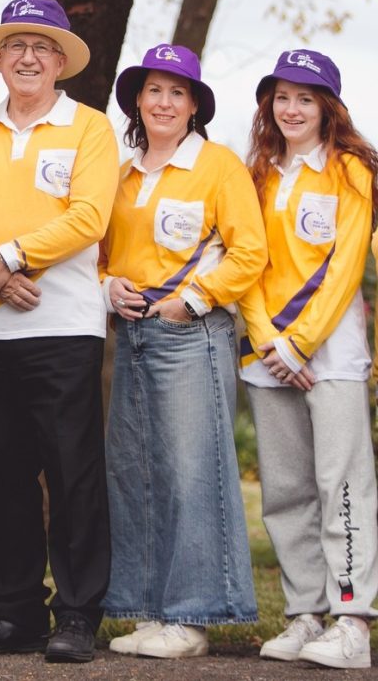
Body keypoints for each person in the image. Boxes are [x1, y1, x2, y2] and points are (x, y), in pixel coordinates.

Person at [0, 0, 117, 664]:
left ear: (61, 61)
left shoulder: (89, 129)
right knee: (0, 478)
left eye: (42, 47)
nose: (29, 57)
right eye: (16, 47)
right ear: (0, 60)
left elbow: (89, 217)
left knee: (72, 475)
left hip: (64, 327)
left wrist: (6, 257)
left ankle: (76, 613)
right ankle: (15, 613)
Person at [99, 44, 266, 658]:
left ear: (194, 105)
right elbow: (102, 255)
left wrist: (192, 301)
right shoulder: (121, 172)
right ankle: (149, 608)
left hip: (192, 334)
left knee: (193, 473)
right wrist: (106, 285)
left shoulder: (218, 167)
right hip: (135, 335)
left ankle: (193, 617)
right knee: (137, 473)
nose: (163, 102)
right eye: (153, 91)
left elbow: (250, 253)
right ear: (137, 102)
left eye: (177, 92)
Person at [240, 50, 378, 670]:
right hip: (267, 356)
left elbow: (346, 267)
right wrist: (269, 342)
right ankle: (305, 614)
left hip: (333, 356)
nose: (290, 109)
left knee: (342, 484)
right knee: (287, 491)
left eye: (305, 98)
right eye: (281, 97)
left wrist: (298, 342)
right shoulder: (259, 172)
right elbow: (244, 261)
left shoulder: (351, 170)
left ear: (328, 107)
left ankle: (352, 619)